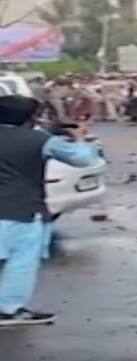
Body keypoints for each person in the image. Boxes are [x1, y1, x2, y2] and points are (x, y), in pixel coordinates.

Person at [0, 95, 99, 326]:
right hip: (20, 210)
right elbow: (83, 159)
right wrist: (79, 137)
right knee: (21, 261)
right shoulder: (38, 140)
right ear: (28, 118)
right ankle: (8, 309)